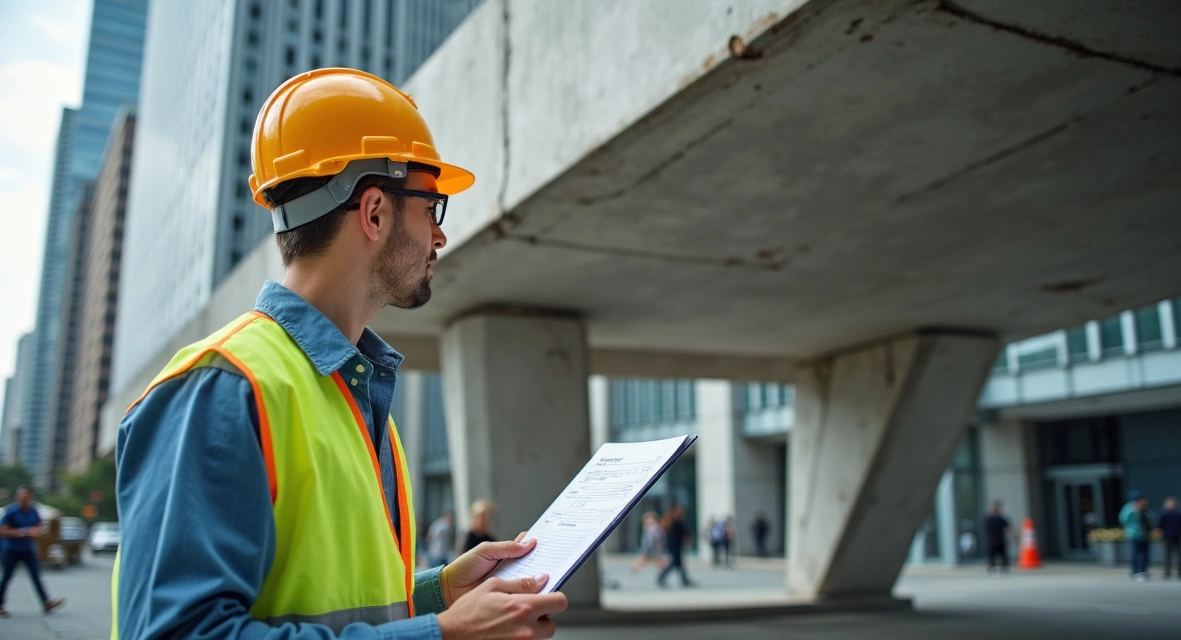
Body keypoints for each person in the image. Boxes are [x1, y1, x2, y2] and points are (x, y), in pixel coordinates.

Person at [112, 69, 566, 639]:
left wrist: (440, 591)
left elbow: (331, 601)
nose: (439, 236)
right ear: (374, 212)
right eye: (432, 208)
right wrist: (442, 634)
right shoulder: (223, 387)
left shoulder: (355, 392)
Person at [0, 487, 65, 617]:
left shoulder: (33, 511)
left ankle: (46, 602)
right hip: (11, 549)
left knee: (36, 575)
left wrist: (37, 531)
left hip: (27, 549)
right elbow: (3, 530)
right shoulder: (11, 512)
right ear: (18, 498)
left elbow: (39, 526)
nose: (24, 500)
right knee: (7, 577)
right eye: (22, 497)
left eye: (27, 497)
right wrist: (21, 532)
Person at [657, 505, 694, 587]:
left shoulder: (670, 522)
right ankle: (661, 577)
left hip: (673, 546)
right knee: (675, 563)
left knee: (679, 564)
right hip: (676, 546)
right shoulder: (677, 523)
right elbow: (684, 533)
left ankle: (684, 580)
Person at [1120, 490, 1151, 582]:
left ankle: (1143, 571)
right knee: (1135, 554)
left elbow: (1149, 519)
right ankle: (1136, 572)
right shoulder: (1129, 508)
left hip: (1144, 534)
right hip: (1133, 535)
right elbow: (1123, 519)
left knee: (1145, 554)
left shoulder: (1144, 507)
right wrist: (1134, 511)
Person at [1158, 497, 1181, 579]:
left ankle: (1180, 573)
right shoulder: (1163, 514)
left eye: (1173, 503)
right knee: (1167, 556)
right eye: (1169, 503)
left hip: (1178, 536)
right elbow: (1159, 524)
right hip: (1167, 537)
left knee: (1180, 556)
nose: (1171, 505)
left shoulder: (1179, 514)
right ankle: (1167, 573)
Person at [983, 501, 1011, 575]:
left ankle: (1003, 567)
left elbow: (1008, 528)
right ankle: (992, 567)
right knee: (992, 556)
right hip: (992, 540)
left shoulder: (1000, 518)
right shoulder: (988, 519)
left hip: (1000, 540)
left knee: (1002, 555)